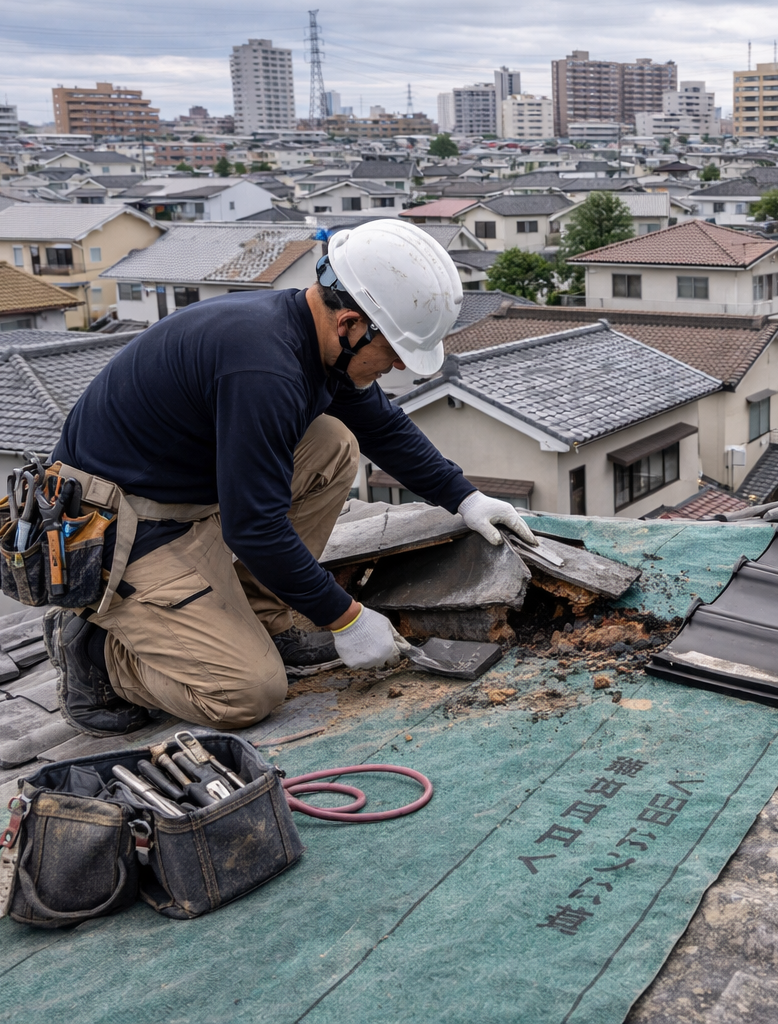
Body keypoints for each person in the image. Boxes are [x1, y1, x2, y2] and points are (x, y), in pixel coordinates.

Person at [43, 220, 535, 736]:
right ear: (350, 323)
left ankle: (261, 621)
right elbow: (254, 528)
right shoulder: (263, 368)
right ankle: (97, 654)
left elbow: (382, 428)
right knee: (246, 694)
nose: (395, 366)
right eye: (393, 351)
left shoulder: (313, 340)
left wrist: (466, 498)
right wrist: (345, 617)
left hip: (186, 495)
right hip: (120, 529)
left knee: (332, 444)